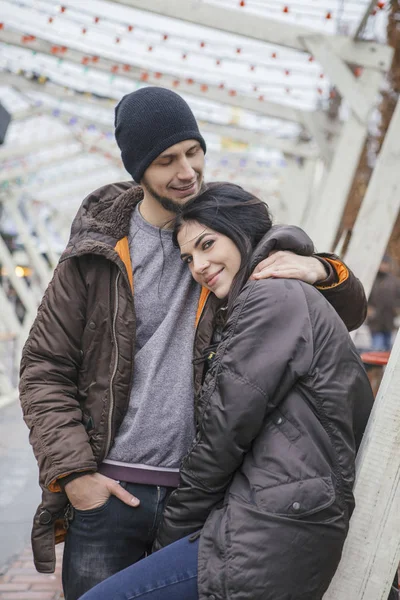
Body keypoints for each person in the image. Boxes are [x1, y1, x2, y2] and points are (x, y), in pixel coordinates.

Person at [19, 87, 368, 600]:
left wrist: (321, 268)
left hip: (208, 493)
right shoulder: (93, 256)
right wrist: (76, 477)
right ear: (139, 169)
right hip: (112, 493)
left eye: (193, 151)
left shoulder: (224, 229)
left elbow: (345, 313)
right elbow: (42, 368)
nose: (187, 171)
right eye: (166, 160)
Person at [79, 183, 374, 600]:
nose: (198, 265)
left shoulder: (272, 296)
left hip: (271, 525)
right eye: (188, 257)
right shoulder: (253, 299)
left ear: (238, 231)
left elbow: (224, 433)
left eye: (207, 244)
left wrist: (168, 538)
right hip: (277, 511)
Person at [368, 255, 400, 351]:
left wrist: (397, 309)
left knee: (388, 348)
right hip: (375, 320)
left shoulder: (394, 281)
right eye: (382, 263)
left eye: (385, 263)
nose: (383, 266)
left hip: (390, 320)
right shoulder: (371, 279)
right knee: (377, 348)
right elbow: (364, 295)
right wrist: (368, 309)